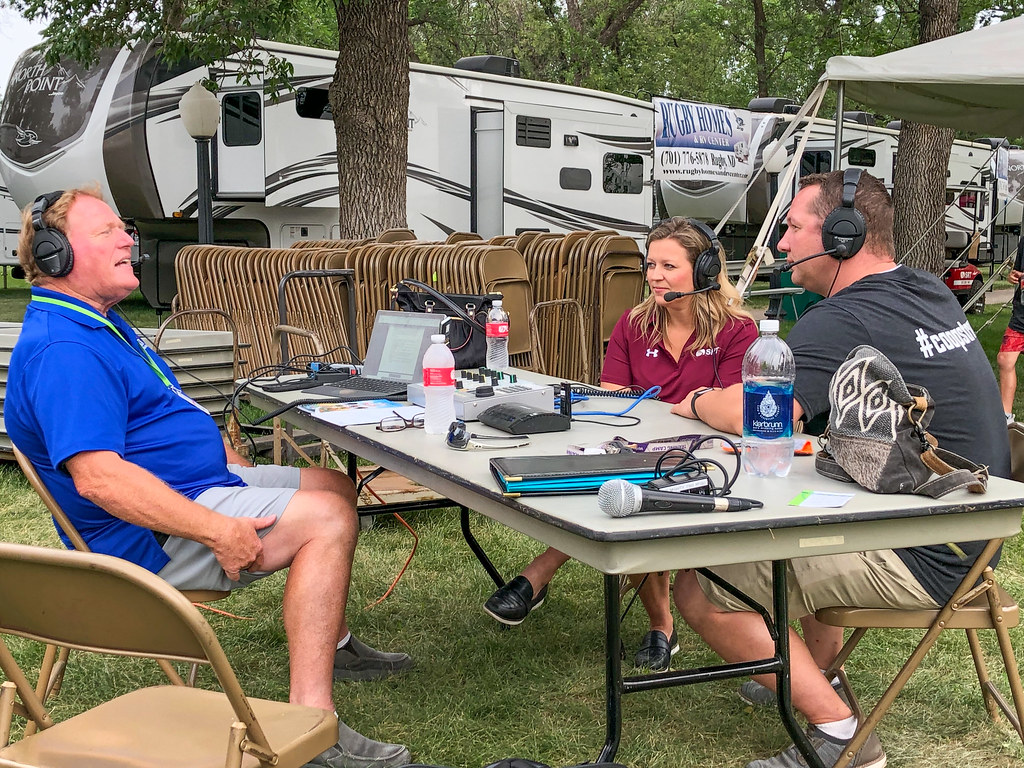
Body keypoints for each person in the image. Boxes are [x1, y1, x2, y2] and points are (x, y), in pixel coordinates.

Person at [5, 188, 414, 768]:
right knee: (328, 519)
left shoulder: (97, 322)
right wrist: (219, 532)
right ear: (54, 256)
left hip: (196, 485)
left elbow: (151, 410)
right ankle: (311, 727)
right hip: (147, 542)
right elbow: (100, 480)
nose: (129, 239)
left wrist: (217, 454)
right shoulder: (66, 349)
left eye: (124, 229)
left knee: (334, 487)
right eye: (108, 233)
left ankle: (336, 644)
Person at [672, 170, 1010, 768]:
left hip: (919, 552)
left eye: (794, 228)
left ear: (843, 235)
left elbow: (756, 414)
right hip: (974, 539)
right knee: (790, 525)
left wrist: (692, 401)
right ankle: (813, 670)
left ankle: (841, 738)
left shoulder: (843, 318)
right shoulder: (926, 290)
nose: (780, 243)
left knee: (697, 581)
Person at [483, 217, 757, 671]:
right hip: (634, 446)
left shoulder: (737, 331)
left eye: (668, 265)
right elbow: (615, 396)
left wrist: (685, 410)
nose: (654, 276)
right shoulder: (634, 323)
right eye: (650, 265)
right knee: (615, 480)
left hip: (707, 458)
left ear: (705, 270)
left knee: (640, 489)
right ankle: (659, 623)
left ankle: (549, 574)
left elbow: (731, 411)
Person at [996, 235, 1024, 423]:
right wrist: (1013, 276)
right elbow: (1017, 272)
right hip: (1021, 313)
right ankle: (1005, 418)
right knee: (1005, 359)